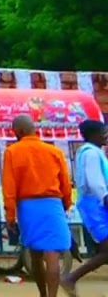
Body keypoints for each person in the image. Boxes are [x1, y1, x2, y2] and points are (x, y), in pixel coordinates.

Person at [2, 114, 72, 297]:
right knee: (53, 254)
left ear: (20, 131)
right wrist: (65, 204)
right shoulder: (54, 152)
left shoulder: (12, 152)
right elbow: (65, 182)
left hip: (27, 207)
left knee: (35, 254)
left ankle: (42, 294)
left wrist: (10, 215)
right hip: (52, 205)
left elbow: (9, 187)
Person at [63, 119, 108, 295]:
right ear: (92, 135)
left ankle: (70, 279)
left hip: (96, 204)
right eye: (102, 132)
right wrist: (105, 197)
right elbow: (95, 181)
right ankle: (70, 279)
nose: (105, 135)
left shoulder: (93, 152)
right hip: (96, 206)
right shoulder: (91, 153)